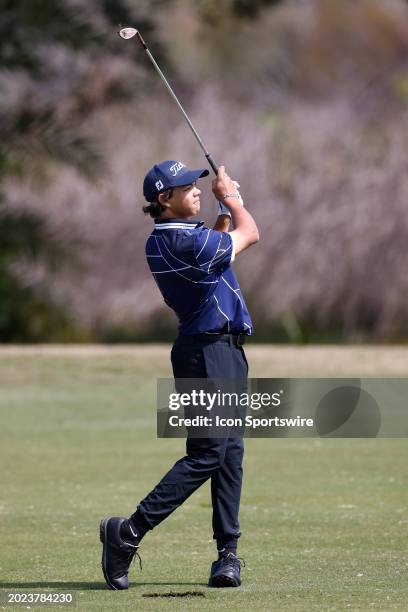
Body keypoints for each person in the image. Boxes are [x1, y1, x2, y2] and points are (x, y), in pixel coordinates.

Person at [100, 160, 259, 590]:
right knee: (209, 453)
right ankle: (128, 532)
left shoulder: (178, 239)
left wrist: (224, 212)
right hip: (206, 354)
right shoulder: (182, 242)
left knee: (229, 454)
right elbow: (249, 235)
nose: (195, 190)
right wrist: (232, 200)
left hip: (221, 352)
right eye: (183, 187)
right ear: (162, 199)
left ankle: (227, 556)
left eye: (196, 184)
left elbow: (219, 247)